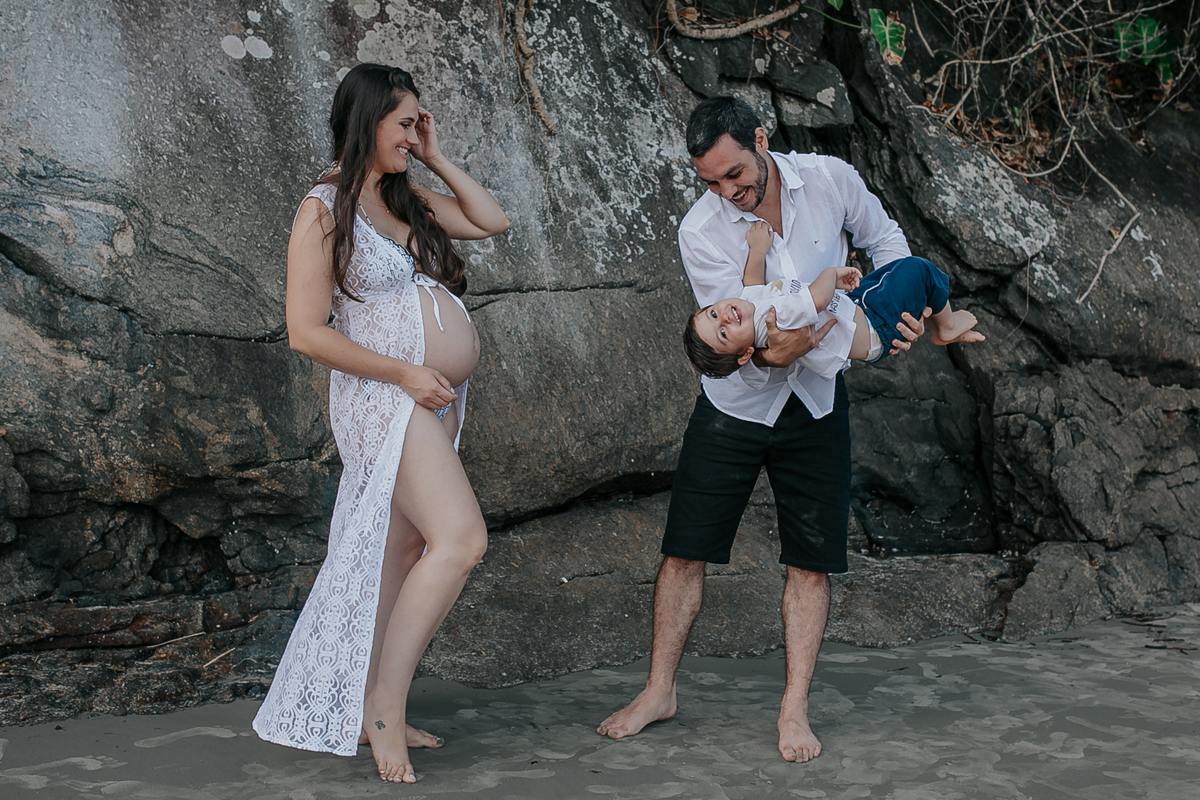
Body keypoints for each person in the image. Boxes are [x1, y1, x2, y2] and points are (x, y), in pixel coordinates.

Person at [598, 97, 936, 762]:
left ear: (760, 137)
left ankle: (794, 710)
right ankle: (659, 691)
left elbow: (886, 240)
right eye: (713, 182)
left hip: (816, 402)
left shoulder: (831, 179)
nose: (728, 192)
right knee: (684, 550)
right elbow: (743, 342)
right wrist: (798, 338)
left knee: (811, 563)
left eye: (735, 174)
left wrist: (902, 309)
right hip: (736, 406)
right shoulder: (701, 230)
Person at [252, 63, 509, 784]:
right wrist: (403, 373)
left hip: (429, 400)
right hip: (384, 397)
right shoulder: (322, 209)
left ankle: (371, 704)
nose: (413, 133)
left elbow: (491, 220)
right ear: (368, 120)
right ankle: (386, 709)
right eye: (405, 123)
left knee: (402, 552)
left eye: (418, 122)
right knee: (461, 540)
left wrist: (435, 155)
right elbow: (306, 332)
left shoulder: (404, 196)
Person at [684, 222, 983, 388]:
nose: (724, 318)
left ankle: (934, 317)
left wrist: (758, 251)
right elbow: (817, 299)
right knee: (918, 270)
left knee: (895, 272)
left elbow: (752, 285)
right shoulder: (777, 320)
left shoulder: (751, 312)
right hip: (873, 326)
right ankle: (946, 326)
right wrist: (831, 274)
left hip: (855, 309)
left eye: (713, 313)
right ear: (745, 353)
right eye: (722, 333)